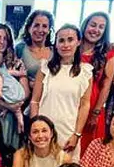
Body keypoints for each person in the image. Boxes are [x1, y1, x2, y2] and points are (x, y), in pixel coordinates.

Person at [30, 24, 93, 159]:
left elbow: (85, 105)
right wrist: (34, 128)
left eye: (70, 40)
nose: (66, 45)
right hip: (43, 132)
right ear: (56, 44)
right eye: (61, 40)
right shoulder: (45, 68)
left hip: (68, 131)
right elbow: (35, 101)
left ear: (78, 42)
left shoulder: (85, 72)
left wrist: (77, 134)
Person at [79, 12, 114, 153]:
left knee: (89, 150)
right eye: (93, 25)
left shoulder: (108, 53)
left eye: (101, 27)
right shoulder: (73, 47)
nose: (96, 30)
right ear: (85, 25)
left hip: (94, 105)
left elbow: (106, 85)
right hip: (72, 103)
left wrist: (95, 113)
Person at [15, 9, 54, 85]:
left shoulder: (55, 51)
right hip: (27, 94)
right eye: (36, 25)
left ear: (49, 30)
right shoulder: (20, 49)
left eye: (44, 26)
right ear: (29, 28)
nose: (40, 30)